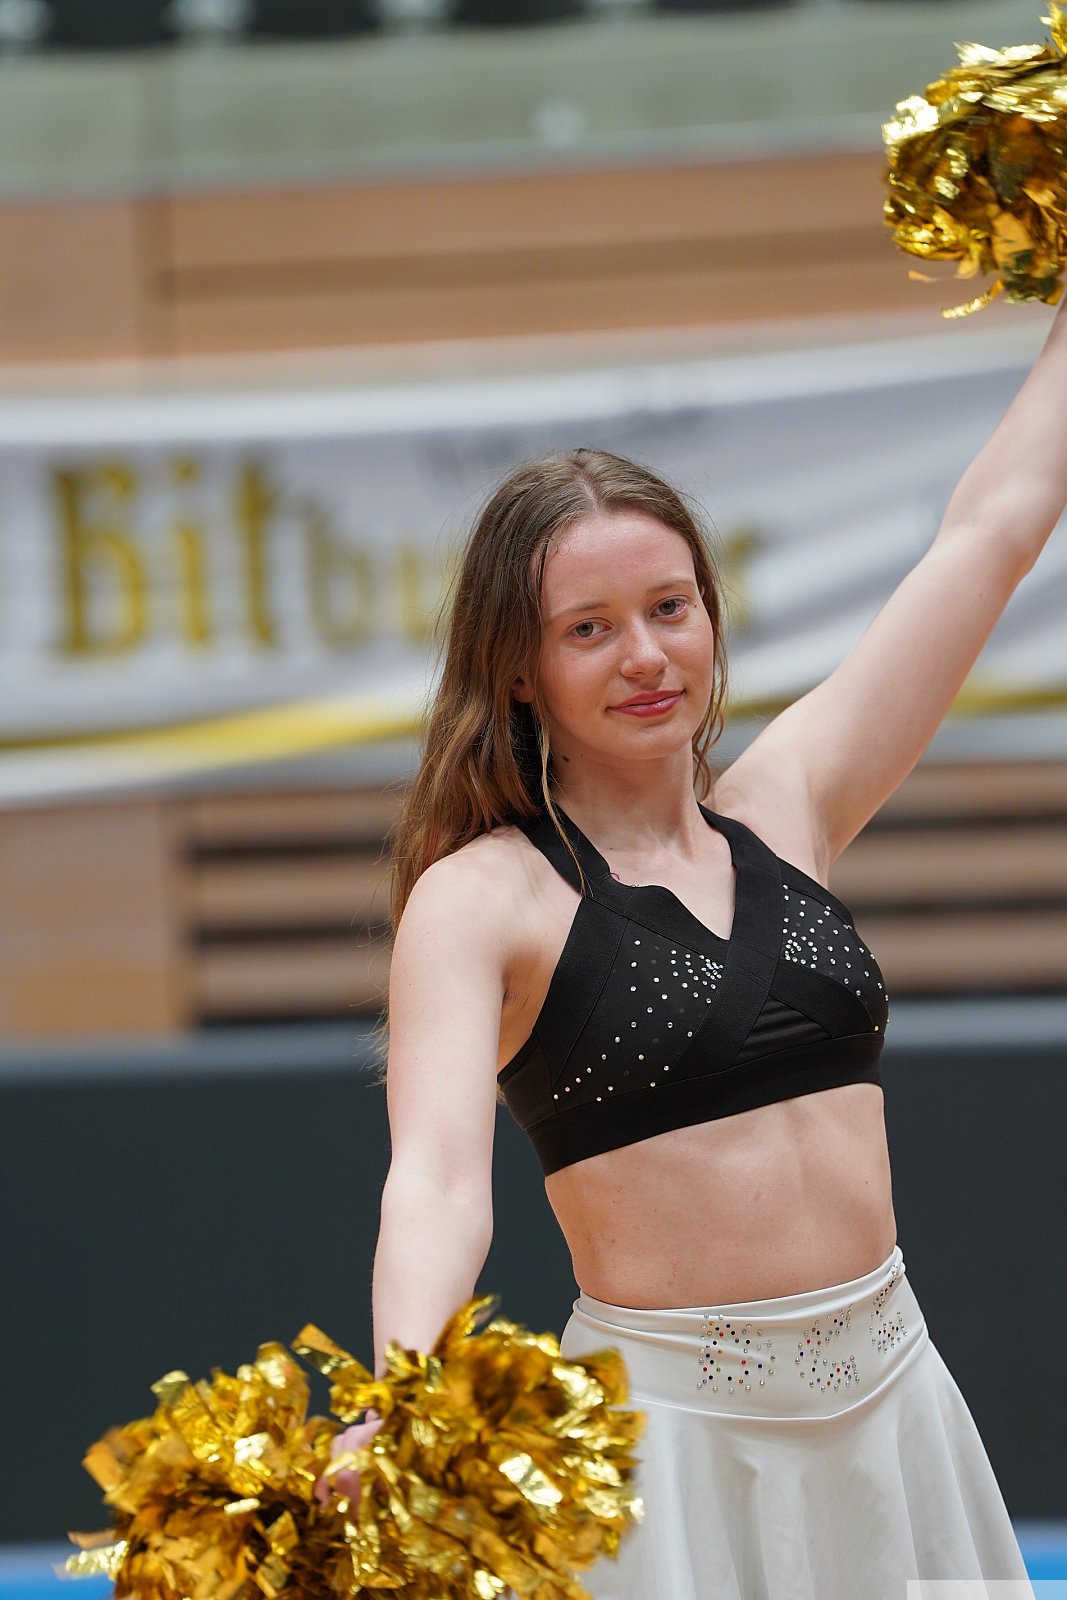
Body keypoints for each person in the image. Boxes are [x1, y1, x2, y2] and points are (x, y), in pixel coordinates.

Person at [314, 305, 1067, 1598]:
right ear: (518, 669)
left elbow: (993, 529)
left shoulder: (792, 801)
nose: (647, 656)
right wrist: (400, 1396)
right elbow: (435, 1183)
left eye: (671, 608)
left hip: (900, 1409)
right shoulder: (480, 899)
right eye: (589, 628)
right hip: (671, 1455)